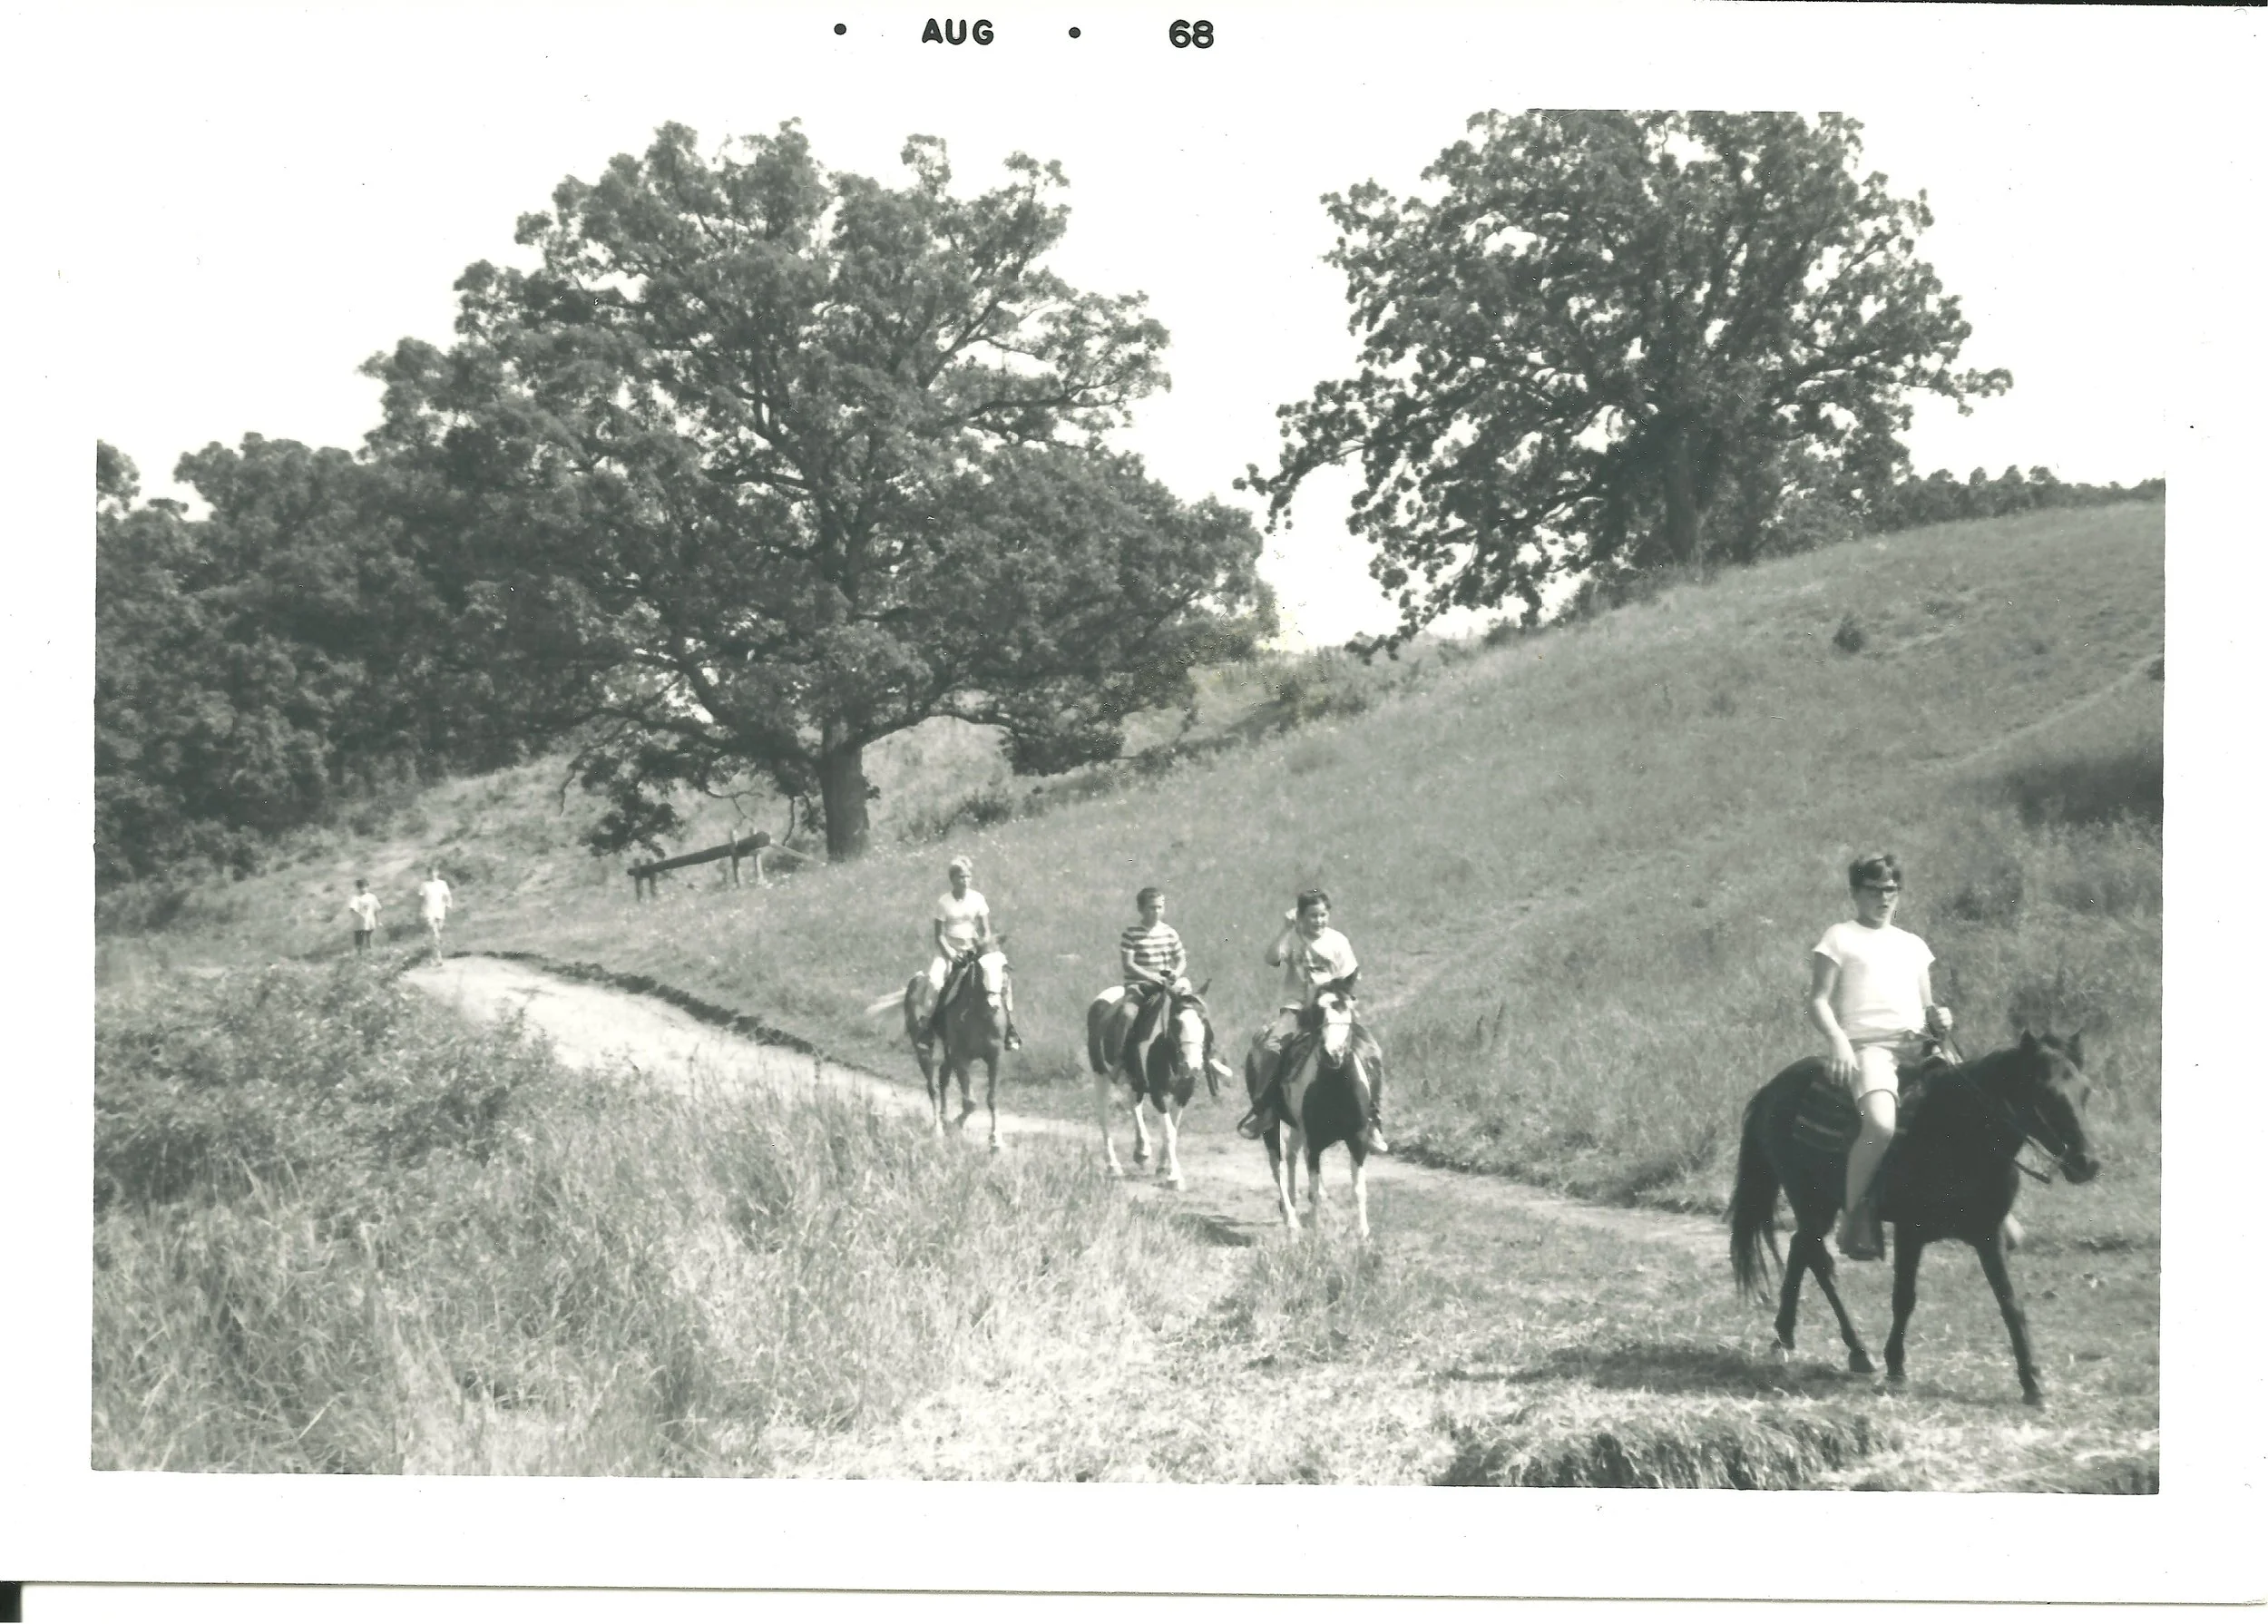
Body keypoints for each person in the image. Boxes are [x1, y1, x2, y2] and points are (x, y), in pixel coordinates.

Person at [1808, 852, 1953, 1261]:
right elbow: (1817, 1001)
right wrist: (1837, 1040)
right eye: (1874, 890)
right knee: (1880, 1125)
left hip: (1920, 1044)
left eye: (1891, 889)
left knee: (1978, 1110)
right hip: (1869, 1047)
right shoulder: (1840, 936)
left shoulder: (1913, 945)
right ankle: (1854, 1216)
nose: (1884, 898)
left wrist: (1941, 1019)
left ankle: (1994, 1211)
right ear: (1855, 893)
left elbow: (1928, 1009)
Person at [1241, 888, 1384, 1153]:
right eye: (1312, 916)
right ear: (1300, 916)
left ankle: (1372, 1118)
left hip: (1330, 1009)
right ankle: (1263, 1109)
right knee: (1273, 1047)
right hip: (1296, 1008)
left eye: (1323, 915)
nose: (1318, 921)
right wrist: (1285, 930)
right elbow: (1271, 958)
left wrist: (1344, 1002)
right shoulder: (1293, 939)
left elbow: (1349, 980)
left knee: (1372, 1050)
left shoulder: (1338, 942)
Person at [926, 855, 1020, 1049]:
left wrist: (984, 947)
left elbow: (985, 930)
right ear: (952, 879)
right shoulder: (944, 903)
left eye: (968, 876)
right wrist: (951, 955)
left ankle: (1010, 1029)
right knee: (934, 982)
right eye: (961, 877)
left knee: (1002, 979)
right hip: (949, 952)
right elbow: (939, 936)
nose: (965, 881)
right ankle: (929, 1028)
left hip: (973, 949)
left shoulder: (978, 899)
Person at [1095, 885, 1192, 1054]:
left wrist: (1176, 973)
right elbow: (1129, 964)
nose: (1156, 912)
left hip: (1166, 985)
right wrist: (1152, 977)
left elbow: (1181, 959)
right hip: (1139, 985)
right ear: (1141, 909)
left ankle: (1205, 1055)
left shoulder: (1169, 932)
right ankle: (1119, 1057)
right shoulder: (1131, 933)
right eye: (1151, 907)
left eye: (1160, 907)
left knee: (1192, 1010)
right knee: (1127, 1014)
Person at [417, 866, 455, 964]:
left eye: (434, 872)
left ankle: (431, 956)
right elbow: (421, 899)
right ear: (428, 874)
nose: (432, 874)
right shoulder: (424, 885)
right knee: (435, 934)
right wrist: (420, 911)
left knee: (437, 934)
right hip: (428, 911)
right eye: (430, 873)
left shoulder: (442, 884)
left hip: (440, 911)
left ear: (437, 873)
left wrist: (449, 906)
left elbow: (447, 896)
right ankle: (438, 957)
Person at [347, 878, 381, 955]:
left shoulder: (372, 897)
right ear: (358, 888)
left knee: (370, 939)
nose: (363, 889)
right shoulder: (356, 898)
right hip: (359, 924)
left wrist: (378, 921)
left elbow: (376, 909)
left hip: (370, 922)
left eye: (365, 887)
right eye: (361, 887)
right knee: (360, 941)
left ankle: (371, 953)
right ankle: (359, 955)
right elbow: (352, 909)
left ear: (367, 887)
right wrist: (359, 915)